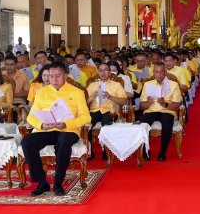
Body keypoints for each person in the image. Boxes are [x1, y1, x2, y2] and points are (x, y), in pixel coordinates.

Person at [23, 62, 91, 196]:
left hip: (68, 130)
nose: (53, 80)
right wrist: (42, 125)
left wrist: (67, 124)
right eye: (51, 76)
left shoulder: (77, 92)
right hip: (47, 129)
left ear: (65, 75)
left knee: (64, 140)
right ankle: (42, 182)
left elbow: (86, 117)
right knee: (27, 142)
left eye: (58, 76)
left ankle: (58, 183)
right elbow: (31, 117)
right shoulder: (42, 92)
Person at [140, 62, 183, 161]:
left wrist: (165, 104)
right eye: (156, 72)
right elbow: (141, 106)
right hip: (151, 110)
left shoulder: (174, 84)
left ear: (165, 72)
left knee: (167, 122)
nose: (158, 75)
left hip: (167, 111)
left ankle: (162, 152)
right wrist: (148, 103)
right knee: (143, 123)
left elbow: (177, 105)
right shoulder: (147, 84)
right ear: (153, 72)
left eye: (161, 72)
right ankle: (145, 151)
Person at [86, 63, 128, 159]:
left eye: (105, 70)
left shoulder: (116, 85)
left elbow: (124, 101)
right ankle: (89, 152)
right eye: (100, 70)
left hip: (110, 111)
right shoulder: (92, 85)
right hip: (94, 110)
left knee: (106, 122)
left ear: (109, 72)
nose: (103, 72)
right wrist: (93, 96)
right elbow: (84, 102)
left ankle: (106, 152)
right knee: (87, 123)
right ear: (98, 72)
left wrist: (110, 97)